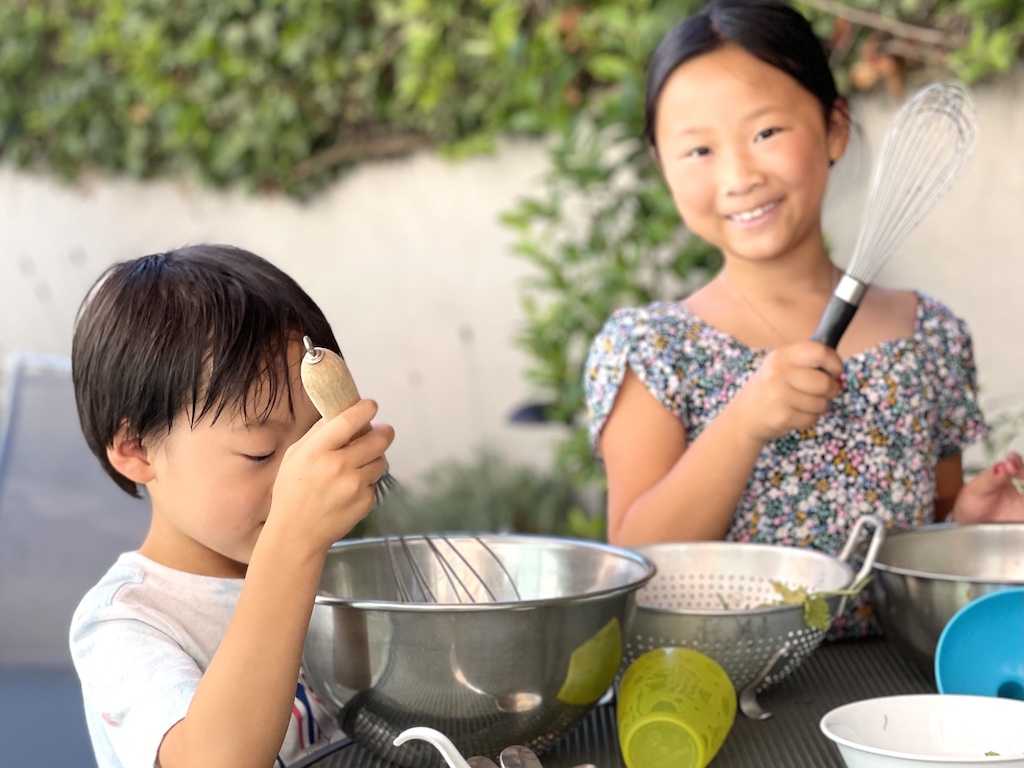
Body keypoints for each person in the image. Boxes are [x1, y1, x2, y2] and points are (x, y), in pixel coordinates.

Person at [584, 0, 1024, 635]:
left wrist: (968, 530)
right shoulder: (652, 350)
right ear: (662, 169)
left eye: (766, 133)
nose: (738, 175)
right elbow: (637, 562)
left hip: (896, 688)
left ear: (834, 128)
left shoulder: (929, 335)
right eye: (699, 149)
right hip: (731, 691)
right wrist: (743, 423)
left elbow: (927, 539)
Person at [69, 245, 395, 768]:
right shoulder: (124, 624)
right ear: (136, 450)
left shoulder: (327, 568)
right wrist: (291, 543)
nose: (297, 478)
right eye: (260, 453)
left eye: (314, 442)